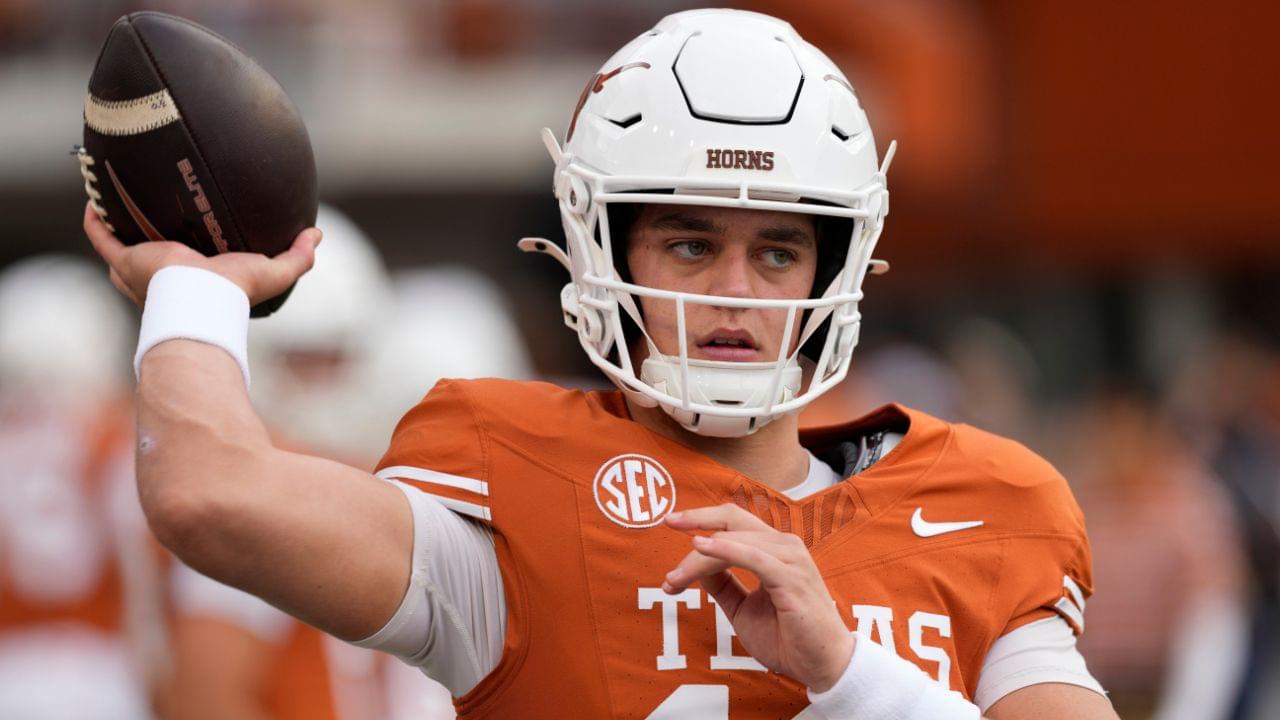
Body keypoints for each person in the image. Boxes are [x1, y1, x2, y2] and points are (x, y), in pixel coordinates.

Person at [84, 9, 1118, 719]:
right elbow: (209, 495)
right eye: (687, 243)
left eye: (776, 251)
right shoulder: (517, 490)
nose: (730, 291)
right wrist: (197, 286)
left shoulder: (981, 503)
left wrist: (843, 671)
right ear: (603, 249)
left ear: (832, 270)